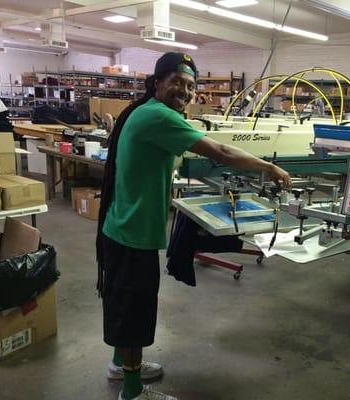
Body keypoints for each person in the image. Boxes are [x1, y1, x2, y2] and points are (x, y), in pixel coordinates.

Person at [96, 52, 291, 400]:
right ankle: (132, 389)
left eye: (190, 85)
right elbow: (221, 152)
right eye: (176, 82)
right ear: (157, 82)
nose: (184, 91)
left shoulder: (145, 112)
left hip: (123, 228)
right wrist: (268, 167)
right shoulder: (157, 115)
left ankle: (120, 365)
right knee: (135, 316)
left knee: (124, 309)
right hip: (132, 234)